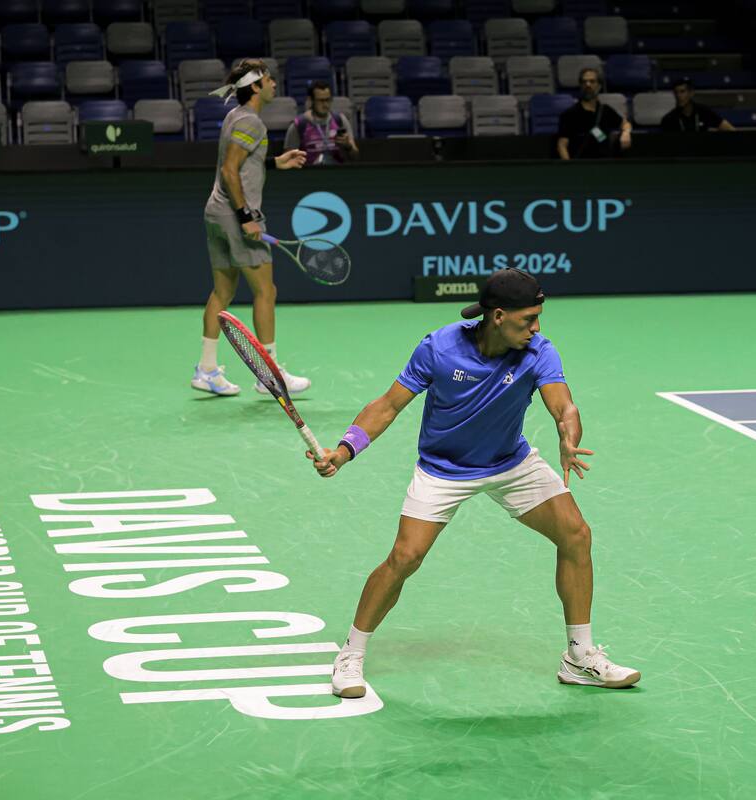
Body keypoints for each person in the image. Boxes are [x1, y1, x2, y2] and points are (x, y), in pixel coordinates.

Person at [309, 268, 641, 698]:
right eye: (528, 319)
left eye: (539, 318)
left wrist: (568, 437)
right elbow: (388, 405)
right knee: (405, 557)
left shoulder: (538, 351)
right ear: (498, 316)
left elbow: (565, 407)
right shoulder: (439, 348)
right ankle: (351, 654)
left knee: (576, 534)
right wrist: (345, 449)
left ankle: (579, 656)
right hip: (443, 469)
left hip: (509, 462)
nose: (537, 328)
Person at [192, 58, 311, 397]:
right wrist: (246, 217)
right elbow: (230, 170)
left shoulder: (236, 116)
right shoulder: (252, 122)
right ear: (256, 87)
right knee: (265, 291)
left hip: (216, 213)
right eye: (268, 80)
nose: (274, 84)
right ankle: (269, 376)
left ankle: (206, 370)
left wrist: (273, 162)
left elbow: (240, 163)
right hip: (236, 215)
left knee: (223, 292)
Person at [557, 68, 632, 160]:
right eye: (584, 82)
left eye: (592, 81)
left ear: (599, 86)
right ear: (580, 85)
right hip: (581, 163)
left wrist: (626, 133)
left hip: (605, 162)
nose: (588, 85)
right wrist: (570, 166)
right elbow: (562, 145)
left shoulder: (606, 110)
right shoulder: (569, 115)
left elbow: (625, 123)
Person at [284, 80, 359, 166]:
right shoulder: (299, 125)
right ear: (311, 101)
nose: (325, 105)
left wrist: (348, 146)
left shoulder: (340, 120)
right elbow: (287, 161)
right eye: (321, 101)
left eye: (328, 100)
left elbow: (355, 157)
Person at [660, 78, 735, 133]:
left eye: (682, 92)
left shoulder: (704, 111)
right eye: (676, 92)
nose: (678, 96)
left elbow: (729, 129)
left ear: (691, 93)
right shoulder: (669, 119)